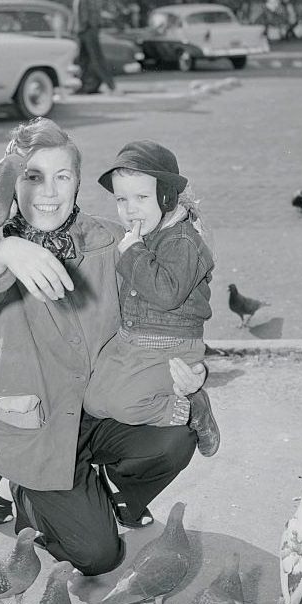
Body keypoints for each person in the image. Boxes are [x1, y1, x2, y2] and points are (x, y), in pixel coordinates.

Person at [0, 117, 204, 578]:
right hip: (40, 427)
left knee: (177, 434)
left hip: (102, 409)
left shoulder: (111, 239)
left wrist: (191, 375)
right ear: (13, 184)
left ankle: (112, 493)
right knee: (100, 557)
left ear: (78, 183)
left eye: (61, 176)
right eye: (33, 176)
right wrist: (6, 253)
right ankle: (22, 488)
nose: (48, 192)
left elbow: (168, 303)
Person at [83, 141, 220, 460]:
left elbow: (166, 293)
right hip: (133, 340)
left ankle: (189, 409)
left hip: (171, 345)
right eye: (121, 199)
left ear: (167, 197)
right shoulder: (144, 233)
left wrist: (132, 252)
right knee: (93, 400)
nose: (129, 209)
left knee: (126, 404)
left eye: (141, 198)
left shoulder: (183, 241)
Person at [62, 0, 118, 95]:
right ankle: (84, 86)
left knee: (97, 58)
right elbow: (76, 13)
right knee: (83, 61)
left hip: (89, 30)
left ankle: (112, 86)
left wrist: (90, 26)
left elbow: (94, 9)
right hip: (81, 31)